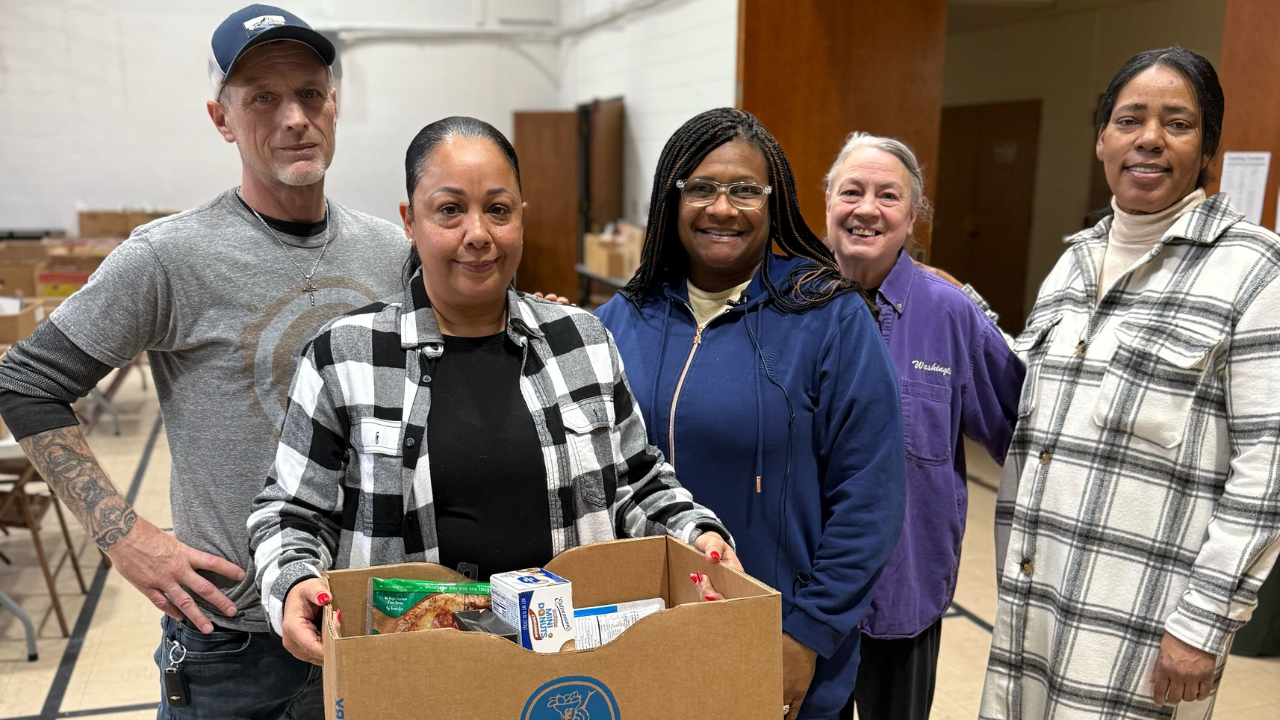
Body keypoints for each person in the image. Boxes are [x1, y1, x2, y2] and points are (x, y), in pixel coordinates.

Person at [0, 6, 408, 718]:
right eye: (262, 99)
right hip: (235, 646)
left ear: (334, 105)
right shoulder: (169, 258)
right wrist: (125, 537)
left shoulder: (390, 253)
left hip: (373, 623)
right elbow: (25, 382)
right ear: (222, 119)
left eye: (310, 94)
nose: (293, 118)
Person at [248, 116, 740, 662]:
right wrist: (293, 583)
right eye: (450, 210)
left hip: (569, 667)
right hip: (411, 673)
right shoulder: (346, 355)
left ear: (521, 220)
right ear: (410, 221)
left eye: (498, 210)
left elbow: (639, 482)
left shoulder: (582, 341)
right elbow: (291, 512)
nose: (478, 234)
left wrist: (699, 536)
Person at [982, 47, 1280, 720]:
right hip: (1034, 602)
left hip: (1143, 628)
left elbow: (1269, 467)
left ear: (1206, 149)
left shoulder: (1254, 270)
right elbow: (1044, 404)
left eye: (1177, 123)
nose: (1149, 138)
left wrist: (1203, 623)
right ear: (1101, 139)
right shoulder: (1074, 262)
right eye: (1129, 119)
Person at [595, 108, 907, 720]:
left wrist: (807, 634)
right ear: (670, 198)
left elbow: (871, 498)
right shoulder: (619, 322)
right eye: (702, 187)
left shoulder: (828, 317)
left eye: (744, 190)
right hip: (636, 649)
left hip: (776, 645)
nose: (722, 208)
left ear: (775, 201)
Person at [821, 133, 1024, 720]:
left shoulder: (950, 312)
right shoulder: (791, 304)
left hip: (905, 589)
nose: (866, 208)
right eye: (851, 191)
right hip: (808, 597)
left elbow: (1025, 427)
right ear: (828, 205)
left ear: (912, 218)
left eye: (889, 196)